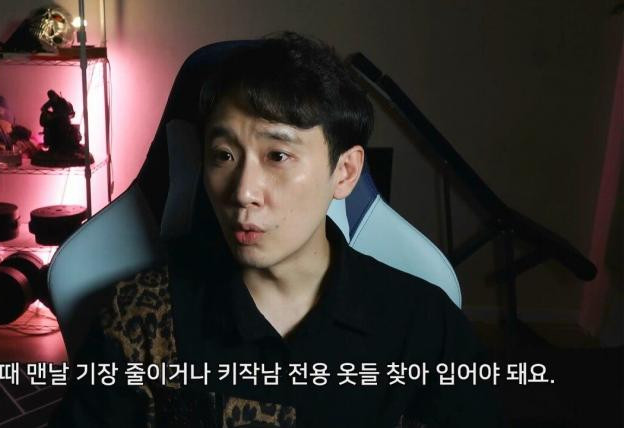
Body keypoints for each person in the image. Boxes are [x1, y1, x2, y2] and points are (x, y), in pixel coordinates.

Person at [50, 32, 502, 428]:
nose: (243, 191)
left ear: (345, 172)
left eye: (278, 156)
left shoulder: (423, 324)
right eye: (224, 155)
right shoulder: (140, 317)